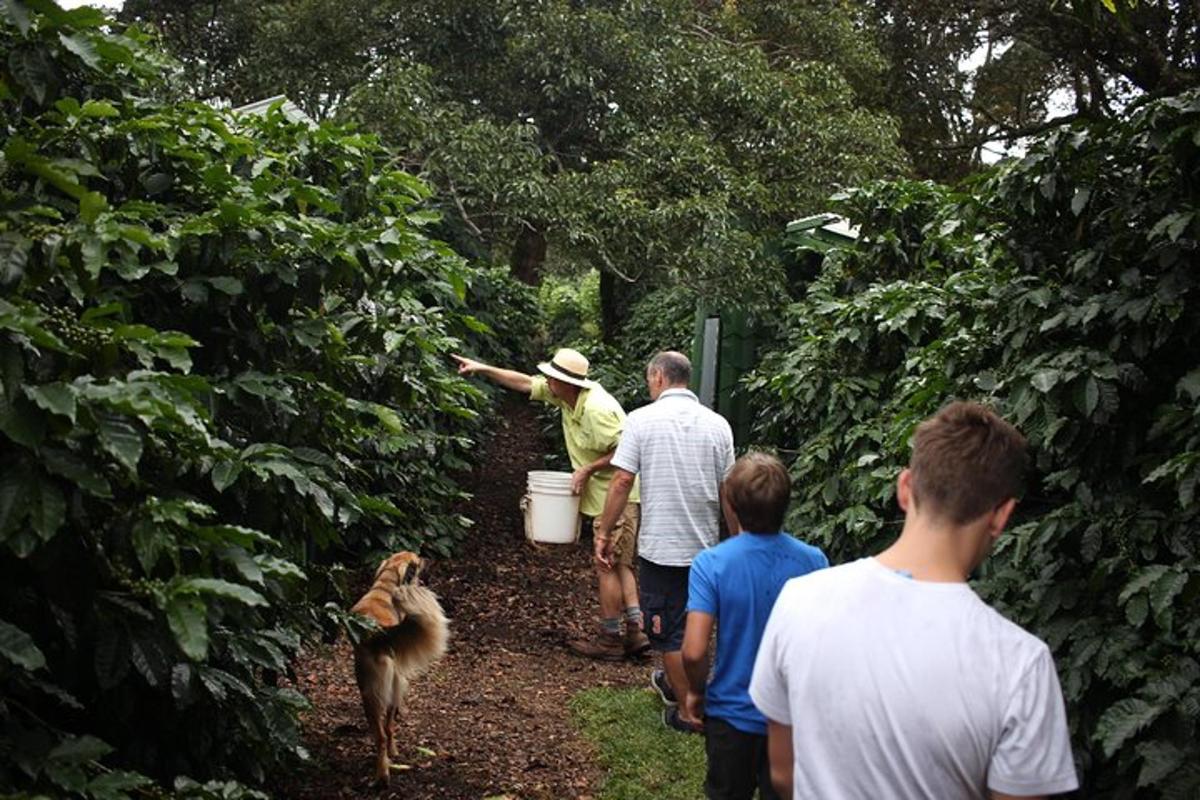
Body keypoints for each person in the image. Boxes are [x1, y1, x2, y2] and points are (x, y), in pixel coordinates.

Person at [749, 401, 1079, 799]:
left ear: (905, 488)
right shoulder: (1021, 664)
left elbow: (784, 772)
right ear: (1001, 516)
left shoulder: (800, 600)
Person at [452, 347, 649, 660]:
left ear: (569, 383)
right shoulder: (565, 396)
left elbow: (629, 451)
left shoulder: (597, 410)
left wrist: (587, 468)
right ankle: (636, 632)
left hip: (616, 496)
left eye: (552, 377)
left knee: (606, 565)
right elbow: (524, 383)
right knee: (619, 563)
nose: (547, 381)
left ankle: (611, 638)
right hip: (608, 495)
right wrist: (481, 367)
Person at [595, 351, 735, 732]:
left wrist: (605, 531)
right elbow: (728, 490)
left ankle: (689, 711)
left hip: (663, 548)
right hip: (706, 549)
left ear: (658, 376)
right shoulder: (719, 425)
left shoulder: (641, 420)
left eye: (648, 378)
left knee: (669, 633)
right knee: (697, 626)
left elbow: (622, 481)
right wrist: (738, 541)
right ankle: (687, 689)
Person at [681, 452, 828, 800]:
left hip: (731, 715)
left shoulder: (711, 564)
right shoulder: (814, 560)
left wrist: (696, 691)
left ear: (729, 504)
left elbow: (694, 650)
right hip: (792, 716)